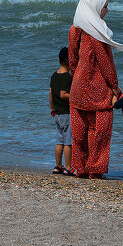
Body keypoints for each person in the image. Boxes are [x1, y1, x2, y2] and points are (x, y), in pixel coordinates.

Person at [67, 0, 123, 180]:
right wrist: (115, 86)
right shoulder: (97, 32)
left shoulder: (74, 29)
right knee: (99, 131)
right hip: (98, 89)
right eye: (105, 6)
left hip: (78, 86)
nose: (107, 11)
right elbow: (105, 62)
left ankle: (81, 168)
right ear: (95, 7)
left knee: (78, 131)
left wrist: (77, 76)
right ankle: (95, 169)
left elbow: (72, 59)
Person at [49, 46, 74, 175]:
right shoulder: (67, 77)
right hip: (66, 112)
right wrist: (75, 96)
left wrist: (52, 108)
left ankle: (58, 165)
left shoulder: (54, 75)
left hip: (57, 112)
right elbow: (63, 94)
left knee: (59, 140)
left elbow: (51, 93)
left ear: (59, 60)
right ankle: (68, 167)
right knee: (68, 142)